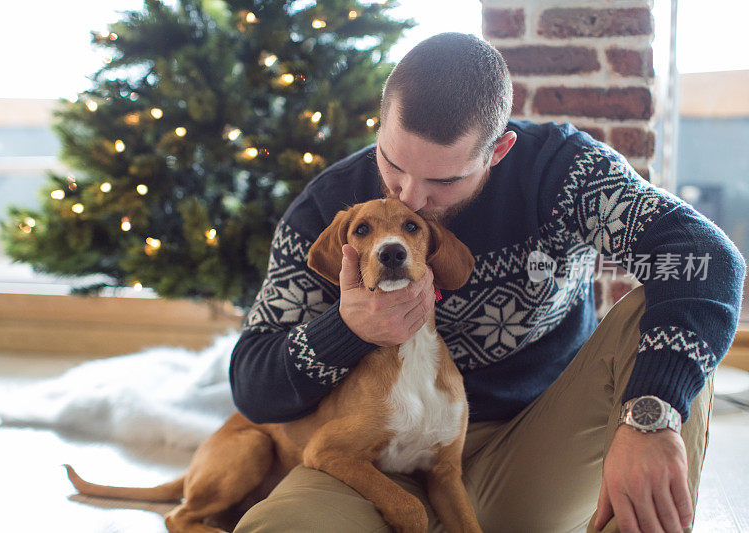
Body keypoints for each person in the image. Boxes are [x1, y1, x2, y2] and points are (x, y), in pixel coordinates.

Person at [228, 32, 746, 532]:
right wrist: (343, 329)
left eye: (443, 181)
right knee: (279, 525)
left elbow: (708, 259)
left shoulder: (561, 171)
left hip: (534, 445)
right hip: (377, 461)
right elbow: (253, 385)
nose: (409, 198)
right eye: (393, 163)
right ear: (380, 124)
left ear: (498, 152)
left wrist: (650, 416)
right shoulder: (331, 210)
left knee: (662, 312)